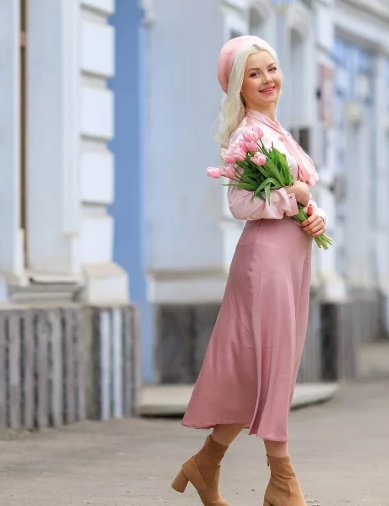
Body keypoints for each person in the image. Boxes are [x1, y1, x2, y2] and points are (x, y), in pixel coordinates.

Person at [170, 35, 327, 506]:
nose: (267, 80)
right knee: (270, 363)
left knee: (258, 370)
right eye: (254, 74)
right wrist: (292, 198)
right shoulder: (248, 135)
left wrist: (311, 213)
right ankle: (283, 480)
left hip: (291, 257)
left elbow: (295, 195)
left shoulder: (277, 132)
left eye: (272, 69)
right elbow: (240, 203)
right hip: (265, 262)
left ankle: (205, 463)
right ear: (238, 85)